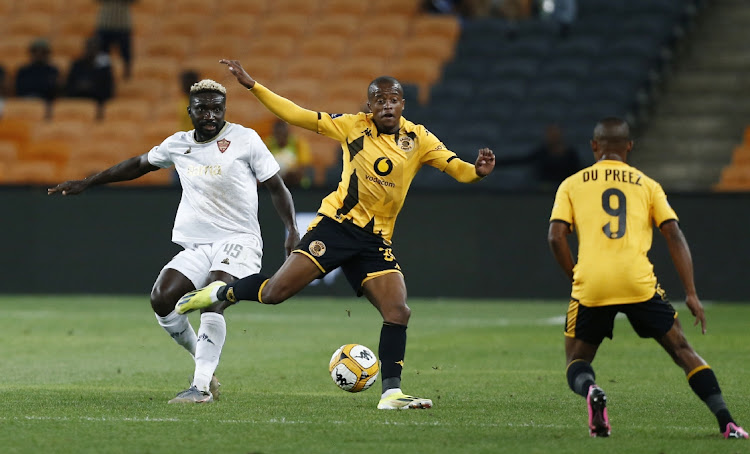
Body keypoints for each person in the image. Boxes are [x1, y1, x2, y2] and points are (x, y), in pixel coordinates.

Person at [175, 59, 496, 410]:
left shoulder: (418, 138)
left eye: (394, 99)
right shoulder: (352, 127)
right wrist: (254, 86)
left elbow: (458, 170)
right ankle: (219, 292)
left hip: (375, 242)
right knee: (275, 293)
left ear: (403, 104)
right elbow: (298, 115)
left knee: (398, 310)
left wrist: (476, 171)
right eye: (379, 100)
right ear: (369, 105)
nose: (387, 105)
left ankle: (391, 394)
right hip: (335, 228)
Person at [47, 79, 300, 404]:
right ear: (190, 111)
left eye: (217, 108)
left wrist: (292, 229)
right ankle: (202, 360)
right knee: (162, 299)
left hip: (239, 239)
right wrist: (87, 182)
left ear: (224, 109)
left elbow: (277, 187)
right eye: (203, 109)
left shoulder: (245, 139)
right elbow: (137, 165)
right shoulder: (178, 144)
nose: (210, 115)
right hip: (198, 245)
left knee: (213, 297)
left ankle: (201, 386)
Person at [547, 117, 748, 439]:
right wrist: (692, 293)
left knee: (577, 359)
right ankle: (728, 422)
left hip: (593, 283)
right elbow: (674, 235)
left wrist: (575, 276)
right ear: (628, 147)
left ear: (594, 146)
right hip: (638, 281)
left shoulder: (572, 184)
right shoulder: (647, 184)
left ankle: (592, 391)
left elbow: (556, 237)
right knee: (682, 349)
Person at [64, 37, 115, 119]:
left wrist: (91, 88)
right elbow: (68, 85)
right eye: (89, 47)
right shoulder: (77, 65)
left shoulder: (104, 68)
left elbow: (108, 89)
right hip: (77, 100)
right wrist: (80, 88)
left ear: (98, 50)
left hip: (97, 102)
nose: (91, 50)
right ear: (85, 48)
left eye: (94, 47)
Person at [14, 38, 60, 119]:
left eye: (43, 52)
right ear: (31, 53)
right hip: (25, 101)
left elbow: (53, 90)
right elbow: (19, 89)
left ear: (47, 54)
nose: (39, 54)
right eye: (36, 51)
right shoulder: (23, 70)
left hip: (46, 103)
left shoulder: (52, 70)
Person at [264, 118, 313, 188]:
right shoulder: (267, 145)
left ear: (288, 133)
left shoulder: (298, 143)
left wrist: (288, 175)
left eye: (283, 134)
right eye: (278, 134)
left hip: (297, 184)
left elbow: (303, 168)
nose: (280, 137)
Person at [95, 0, 136, 80]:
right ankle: (103, 74)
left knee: (126, 54)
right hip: (105, 23)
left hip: (123, 25)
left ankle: (127, 75)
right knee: (102, 54)